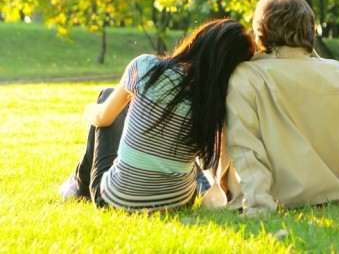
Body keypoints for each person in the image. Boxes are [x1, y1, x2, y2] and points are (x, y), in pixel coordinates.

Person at [207, 0, 339, 216]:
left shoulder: (246, 76)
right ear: (310, 28)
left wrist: (258, 206)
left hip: (269, 198)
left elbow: (246, 149)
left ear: (260, 32)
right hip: (331, 195)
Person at [58, 19, 255, 212]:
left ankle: (80, 187)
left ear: (199, 40)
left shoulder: (146, 66)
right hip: (178, 202)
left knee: (108, 95)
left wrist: (89, 109)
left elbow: (103, 118)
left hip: (116, 200)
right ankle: (78, 183)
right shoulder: (217, 102)